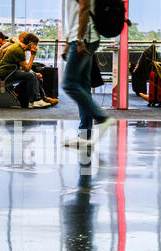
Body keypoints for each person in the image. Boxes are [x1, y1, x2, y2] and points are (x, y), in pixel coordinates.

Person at [61, 0, 115, 148]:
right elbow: (72, 15)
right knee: (83, 86)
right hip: (78, 38)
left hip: (84, 39)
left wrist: (78, 40)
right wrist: (68, 41)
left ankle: (101, 117)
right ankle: (85, 135)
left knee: (69, 84)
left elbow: (84, 8)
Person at [0, 33, 51, 108]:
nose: (36, 47)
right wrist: (33, 55)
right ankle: (35, 100)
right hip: (6, 73)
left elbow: (4, 51)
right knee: (31, 75)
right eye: (35, 44)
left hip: (8, 71)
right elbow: (27, 69)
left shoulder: (18, 45)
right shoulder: (19, 50)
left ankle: (36, 99)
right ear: (30, 43)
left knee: (32, 74)